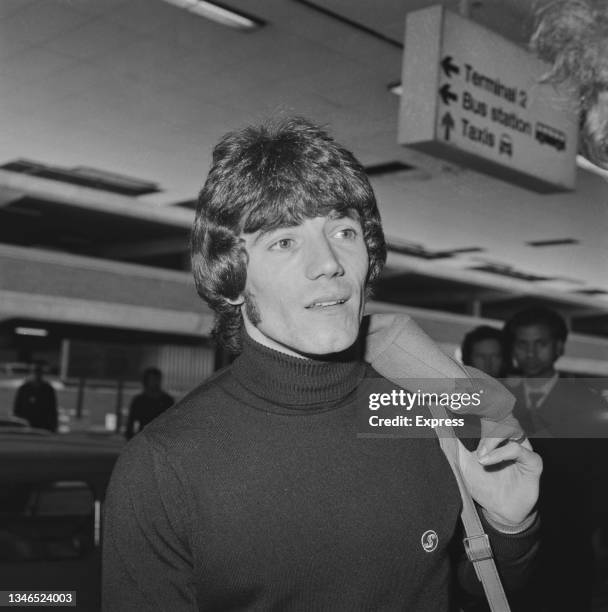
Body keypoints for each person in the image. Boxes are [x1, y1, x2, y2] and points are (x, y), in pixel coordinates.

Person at [103, 117, 541, 611]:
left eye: (344, 231)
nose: (329, 262)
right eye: (284, 241)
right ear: (232, 278)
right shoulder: (164, 467)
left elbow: (472, 592)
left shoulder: (426, 411)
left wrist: (510, 526)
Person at [503, 306, 608, 612]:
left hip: (569, 540)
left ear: (559, 347)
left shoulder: (588, 401)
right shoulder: (499, 399)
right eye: (522, 344)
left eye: (541, 343)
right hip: (513, 539)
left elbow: (600, 474)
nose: (531, 353)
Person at [125, 367, 174, 440]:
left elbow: (173, 421)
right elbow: (131, 422)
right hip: (145, 438)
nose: (156, 382)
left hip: (163, 438)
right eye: (153, 379)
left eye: (157, 379)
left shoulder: (167, 400)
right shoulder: (139, 401)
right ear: (146, 381)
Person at [13, 360, 57, 432]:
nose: (37, 374)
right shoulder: (23, 389)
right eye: (35, 371)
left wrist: (53, 426)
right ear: (31, 372)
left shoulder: (48, 390)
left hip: (43, 426)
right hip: (25, 426)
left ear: (41, 373)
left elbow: (52, 409)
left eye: (39, 372)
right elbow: (17, 408)